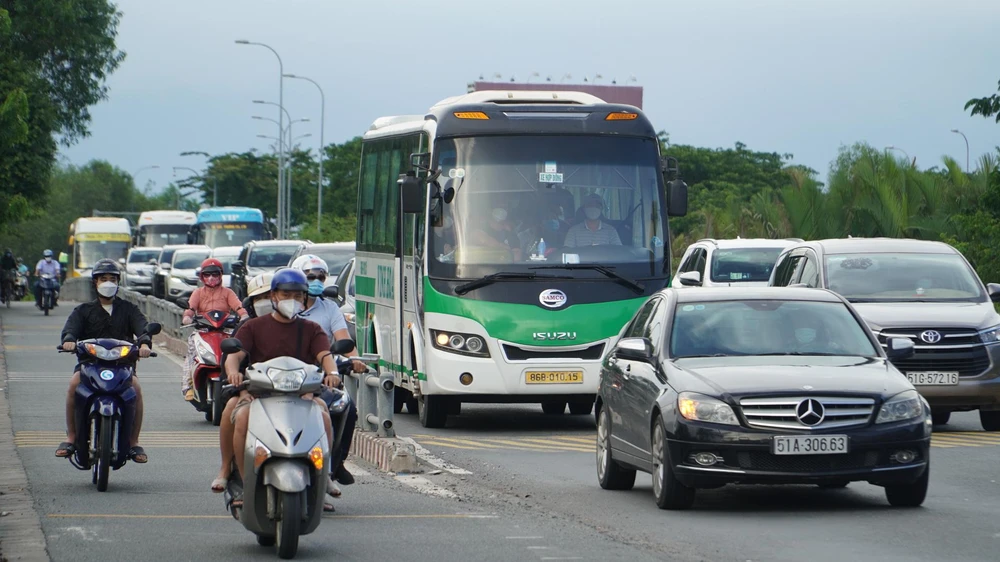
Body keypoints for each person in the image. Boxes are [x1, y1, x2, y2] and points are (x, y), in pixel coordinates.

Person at [218, 270, 342, 511]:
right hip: (259, 394)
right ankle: (236, 476)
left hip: (301, 394)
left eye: (298, 295)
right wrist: (234, 371)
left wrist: (332, 373)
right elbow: (234, 356)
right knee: (238, 414)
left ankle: (323, 475)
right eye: (286, 294)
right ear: (273, 296)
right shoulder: (253, 327)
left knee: (324, 414)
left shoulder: (312, 329)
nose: (291, 300)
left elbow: (325, 355)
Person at [55, 259, 152, 463]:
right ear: (95, 282)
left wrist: (144, 344)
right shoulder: (83, 310)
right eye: (103, 279)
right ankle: (71, 437)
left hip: (123, 366)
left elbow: (143, 327)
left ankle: (133, 442)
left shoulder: (129, 309)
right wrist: (69, 341)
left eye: (112, 279)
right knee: (73, 384)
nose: (108, 283)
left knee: (136, 389)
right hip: (89, 364)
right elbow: (70, 330)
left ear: (118, 282)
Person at [295, 256, 365, 491]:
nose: (315, 281)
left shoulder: (330, 308)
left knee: (347, 408)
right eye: (309, 276)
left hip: (320, 376)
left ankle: (335, 464)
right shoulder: (282, 311)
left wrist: (353, 360)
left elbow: (343, 340)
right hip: (284, 376)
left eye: (320, 277)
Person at [180, 258, 249, 401]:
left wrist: (244, 316)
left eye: (215, 274)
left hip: (225, 331)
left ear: (221, 275)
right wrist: (187, 317)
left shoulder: (228, 293)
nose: (211, 278)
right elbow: (190, 309)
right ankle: (188, 385)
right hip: (203, 331)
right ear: (202, 277)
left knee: (238, 351)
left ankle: (239, 380)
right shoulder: (198, 293)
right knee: (191, 351)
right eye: (207, 275)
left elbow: (239, 308)